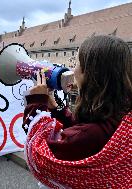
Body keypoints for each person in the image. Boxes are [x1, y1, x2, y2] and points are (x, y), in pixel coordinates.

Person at [23, 35, 132, 188]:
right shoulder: (122, 114)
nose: (74, 70)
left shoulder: (89, 134)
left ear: (92, 73)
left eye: (77, 63)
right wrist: (57, 109)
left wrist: (36, 104)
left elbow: (39, 155)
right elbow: (85, 127)